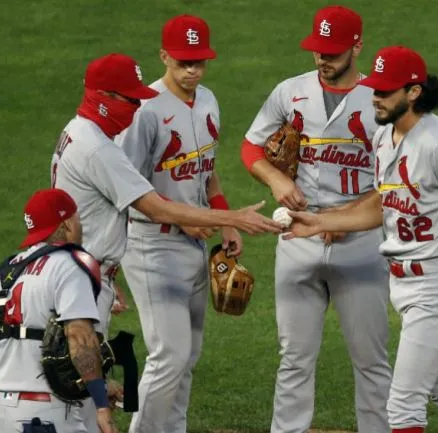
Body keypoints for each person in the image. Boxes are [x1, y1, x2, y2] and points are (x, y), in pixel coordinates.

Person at [284, 46, 438, 433]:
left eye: (385, 91)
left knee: (401, 407)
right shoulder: (384, 136)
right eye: (375, 89)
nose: (375, 98)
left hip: (436, 285)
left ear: (413, 92)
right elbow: (384, 203)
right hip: (403, 281)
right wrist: (318, 222)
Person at [50, 52, 283, 340]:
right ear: (104, 97)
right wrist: (234, 218)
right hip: (86, 275)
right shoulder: (98, 149)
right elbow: (155, 208)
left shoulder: (76, 130)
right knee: (83, 364)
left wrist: (101, 275)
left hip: (82, 271)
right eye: (130, 100)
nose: (136, 108)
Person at [239, 5, 392, 433]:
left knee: (370, 359)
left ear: (357, 47)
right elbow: (250, 147)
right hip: (298, 236)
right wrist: (275, 179)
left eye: (333, 51)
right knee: (294, 357)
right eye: (318, 49)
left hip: (361, 242)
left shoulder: (379, 101)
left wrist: (345, 218)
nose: (323, 58)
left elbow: (395, 180)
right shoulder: (290, 92)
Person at [113, 15, 237, 433]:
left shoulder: (208, 100)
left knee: (187, 357)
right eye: (184, 62)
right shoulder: (144, 110)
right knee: (170, 355)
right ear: (164, 56)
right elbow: (129, 187)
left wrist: (226, 220)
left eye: (199, 62)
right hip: (151, 244)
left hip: (195, 242)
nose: (192, 70)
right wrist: (187, 221)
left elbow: (207, 170)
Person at [0, 188, 120, 433]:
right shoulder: (69, 265)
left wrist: (100, 384)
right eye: (78, 219)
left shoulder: (6, 273)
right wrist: (100, 404)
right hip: (44, 414)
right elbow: (79, 338)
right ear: (67, 223)